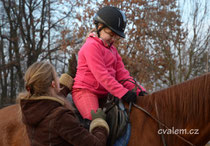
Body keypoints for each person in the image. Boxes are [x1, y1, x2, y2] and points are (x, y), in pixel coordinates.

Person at [72, 6, 147, 121]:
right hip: (86, 91)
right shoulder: (91, 47)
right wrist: (124, 93)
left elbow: (123, 75)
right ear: (99, 27)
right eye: (110, 34)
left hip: (105, 93)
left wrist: (140, 91)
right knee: (96, 122)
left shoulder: (113, 50)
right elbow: (103, 76)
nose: (113, 39)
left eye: (115, 37)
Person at [18, 61, 109, 146]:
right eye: (57, 76)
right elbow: (96, 144)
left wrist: (69, 77)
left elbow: (51, 100)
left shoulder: (30, 109)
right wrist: (99, 123)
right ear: (53, 84)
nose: (58, 78)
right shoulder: (61, 117)